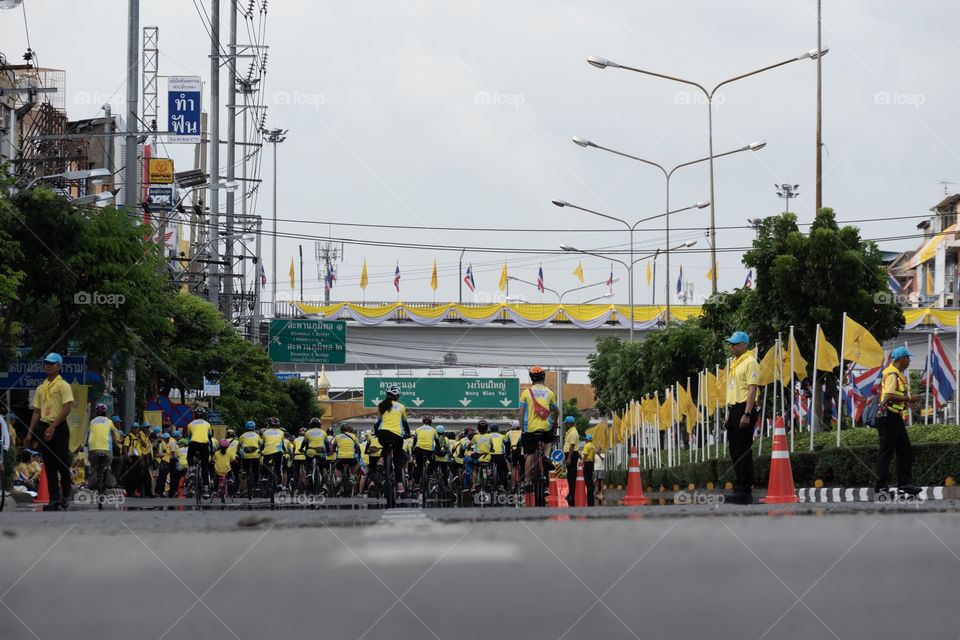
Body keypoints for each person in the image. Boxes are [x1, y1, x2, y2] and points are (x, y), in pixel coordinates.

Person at [25, 353, 75, 510]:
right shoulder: (41, 387)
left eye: (52, 363)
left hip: (59, 427)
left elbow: (67, 408)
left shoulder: (63, 385)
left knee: (61, 462)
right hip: (43, 427)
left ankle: (67, 493)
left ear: (59, 366)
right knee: (49, 465)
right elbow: (36, 412)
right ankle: (54, 499)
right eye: (46, 363)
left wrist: (53, 427)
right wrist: (29, 433)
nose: (48, 365)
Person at [875, 346, 922, 497]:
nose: (909, 360)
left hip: (894, 417)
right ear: (900, 359)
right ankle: (880, 487)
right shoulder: (892, 374)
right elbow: (888, 396)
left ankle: (905, 484)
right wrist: (909, 398)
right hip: (888, 417)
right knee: (886, 452)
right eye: (908, 357)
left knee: (905, 450)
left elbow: (895, 396)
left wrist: (908, 403)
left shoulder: (898, 374)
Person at [723, 331, 760, 504]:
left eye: (735, 343)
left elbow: (752, 389)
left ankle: (745, 491)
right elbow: (734, 390)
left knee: (743, 449)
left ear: (745, 344)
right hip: (735, 409)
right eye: (731, 343)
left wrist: (746, 413)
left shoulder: (751, 362)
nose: (732, 346)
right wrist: (730, 415)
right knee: (734, 450)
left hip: (746, 408)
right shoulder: (735, 364)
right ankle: (738, 488)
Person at [518, 366, 559, 502]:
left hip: (530, 429)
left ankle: (528, 481)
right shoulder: (549, 392)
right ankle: (546, 456)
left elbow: (521, 412)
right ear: (543, 377)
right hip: (545, 428)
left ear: (531, 378)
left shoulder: (525, 393)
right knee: (549, 440)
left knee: (529, 454)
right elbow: (556, 410)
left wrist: (522, 428)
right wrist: (555, 422)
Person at [372, 385, 410, 494]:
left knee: (385, 446)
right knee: (397, 460)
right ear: (397, 396)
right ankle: (399, 485)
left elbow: (378, 422)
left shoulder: (381, 406)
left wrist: (376, 432)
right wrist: (408, 433)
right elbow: (404, 423)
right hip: (397, 436)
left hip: (382, 435)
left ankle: (381, 459)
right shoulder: (401, 407)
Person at [86, 403, 119, 492]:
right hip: (107, 450)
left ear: (96, 413)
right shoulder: (109, 422)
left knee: (94, 466)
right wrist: (116, 445)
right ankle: (108, 481)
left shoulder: (92, 422)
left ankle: (92, 483)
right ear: (106, 412)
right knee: (107, 465)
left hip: (93, 450)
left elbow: (88, 435)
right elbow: (114, 435)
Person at [186, 407, 213, 497]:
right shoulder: (207, 424)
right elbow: (209, 438)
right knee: (205, 466)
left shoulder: (190, 424)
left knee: (189, 456)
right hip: (204, 444)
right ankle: (205, 489)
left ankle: (191, 469)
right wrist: (211, 451)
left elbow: (189, 438)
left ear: (195, 415)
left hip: (193, 443)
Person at [238, 421, 262, 497]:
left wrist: (237, 453)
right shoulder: (257, 435)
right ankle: (257, 485)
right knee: (256, 470)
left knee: (245, 469)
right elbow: (261, 444)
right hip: (256, 455)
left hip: (245, 456)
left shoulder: (242, 436)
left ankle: (246, 476)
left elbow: (239, 446)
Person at [261, 417, 285, 490]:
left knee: (265, 462)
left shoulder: (265, 432)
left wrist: (260, 450)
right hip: (278, 452)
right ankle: (280, 484)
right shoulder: (281, 432)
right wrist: (285, 450)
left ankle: (265, 476)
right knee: (278, 467)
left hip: (267, 451)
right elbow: (282, 444)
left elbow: (263, 444)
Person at [412, 417, 438, 485]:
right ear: (430, 423)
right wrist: (437, 450)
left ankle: (416, 483)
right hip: (430, 450)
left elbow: (414, 441)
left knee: (419, 467)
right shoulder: (433, 430)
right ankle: (431, 476)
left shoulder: (417, 429)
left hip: (419, 449)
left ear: (423, 422)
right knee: (432, 463)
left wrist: (413, 450)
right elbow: (437, 442)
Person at [562, 416, 581, 507]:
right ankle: (570, 493)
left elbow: (572, 446)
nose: (565, 424)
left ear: (570, 423)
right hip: (570, 455)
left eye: (566, 423)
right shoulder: (570, 431)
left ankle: (571, 495)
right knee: (570, 475)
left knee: (572, 476)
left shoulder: (573, 432)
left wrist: (569, 458)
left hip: (571, 455)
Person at [489, 424, 507, 490]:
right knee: (501, 469)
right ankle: (501, 484)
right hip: (500, 454)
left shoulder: (488, 436)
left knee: (487, 466)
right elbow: (506, 443)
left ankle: (488, 477)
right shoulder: (502, 436)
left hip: (489, 454)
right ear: (498, 430)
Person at [582, 433, 597, 507]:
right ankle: (591, 491)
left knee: (586, 479)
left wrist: (582, 463)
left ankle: (589, 491)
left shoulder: (586, 446)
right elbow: (593, 457)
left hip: (587, 463)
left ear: (587, 439)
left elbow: (585, 456)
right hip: (591, 463)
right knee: (590, 478)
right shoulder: (593, 446)